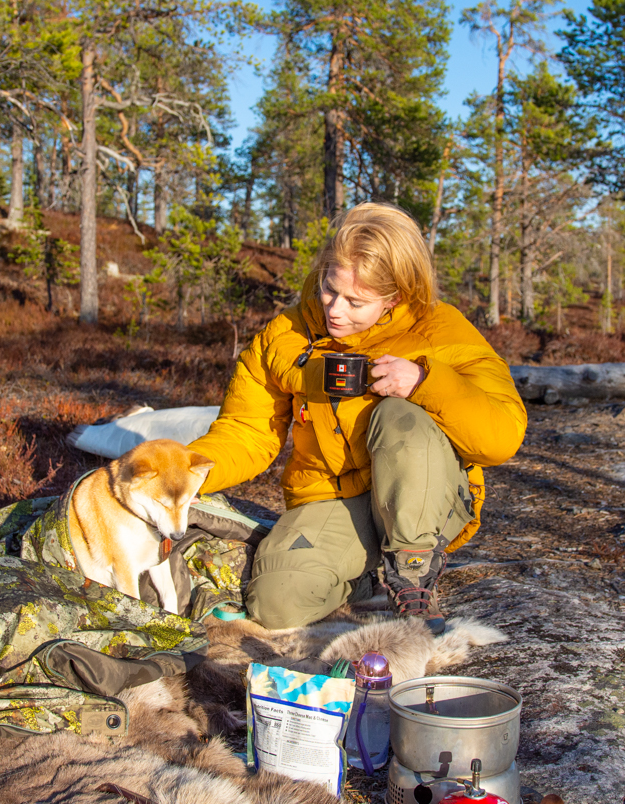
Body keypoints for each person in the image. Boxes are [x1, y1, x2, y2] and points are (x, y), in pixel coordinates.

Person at [190, 203, 526, 634]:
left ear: (395, 297)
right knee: (276, 603)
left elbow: (502, 437)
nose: (335, 311)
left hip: (425, 493)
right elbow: (247, 430)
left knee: (399, 414)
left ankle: (413, 572)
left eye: (356, 302)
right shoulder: (286, 337)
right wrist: (182, 471)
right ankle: (365, 575)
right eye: (330, 290)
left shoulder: (441, 329)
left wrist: (426, 382)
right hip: (332, 497)